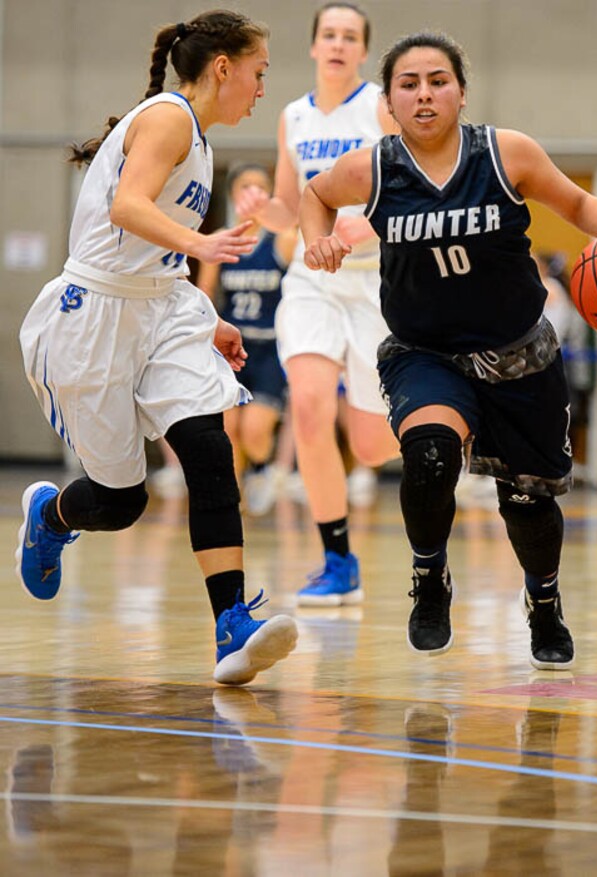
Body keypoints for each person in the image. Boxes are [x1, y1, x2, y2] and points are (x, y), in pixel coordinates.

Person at [298, 31, 597, 667]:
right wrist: (317, 242)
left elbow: (582, 204)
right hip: (425, 353)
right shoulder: (373, 168)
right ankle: (429, 577)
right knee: (428, 455)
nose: (424, 94)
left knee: (527, 503)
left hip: (516, 353)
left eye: (438, 81)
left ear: (461, 92)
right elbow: (313, 196)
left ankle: (544, 600)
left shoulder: (507, 154)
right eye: (409, 84)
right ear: (389, 101)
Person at [15, 10, 298, 686]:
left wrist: (208, 316)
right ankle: (51, 516)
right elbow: (128, 207)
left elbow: (156, 258)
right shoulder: (170, 118)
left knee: (208, 447)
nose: (262, 88)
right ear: (222, 67)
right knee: (121, 501)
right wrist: (201, 244)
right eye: (258, 73)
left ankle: (233, 624)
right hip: (92, 314)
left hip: (160, 309)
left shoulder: (199, 142)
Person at [235, 2, 399, 606]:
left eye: (349, 36)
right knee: (305, 406)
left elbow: (409, 189)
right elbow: (287, 204)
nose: (337, 44)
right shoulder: (292, 116)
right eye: (328, 34)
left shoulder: (381, 105)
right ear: (312, 46)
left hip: (375, 284)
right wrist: (263, 211)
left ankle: (442, 425)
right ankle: (337, 560)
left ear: (362, 50)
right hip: (311, 278)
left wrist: (368, 227)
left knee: (372, 445)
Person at [198, 162, 296, 516]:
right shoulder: (223, 239)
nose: (252, 193)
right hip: (231, 349)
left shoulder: (282, 239)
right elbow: (206, 292)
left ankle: (260, 469)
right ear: (233, 196)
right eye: (245, 187)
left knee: (255, 434)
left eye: (260, 186)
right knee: (228, 429)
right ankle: (231, 504)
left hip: (270, 349)